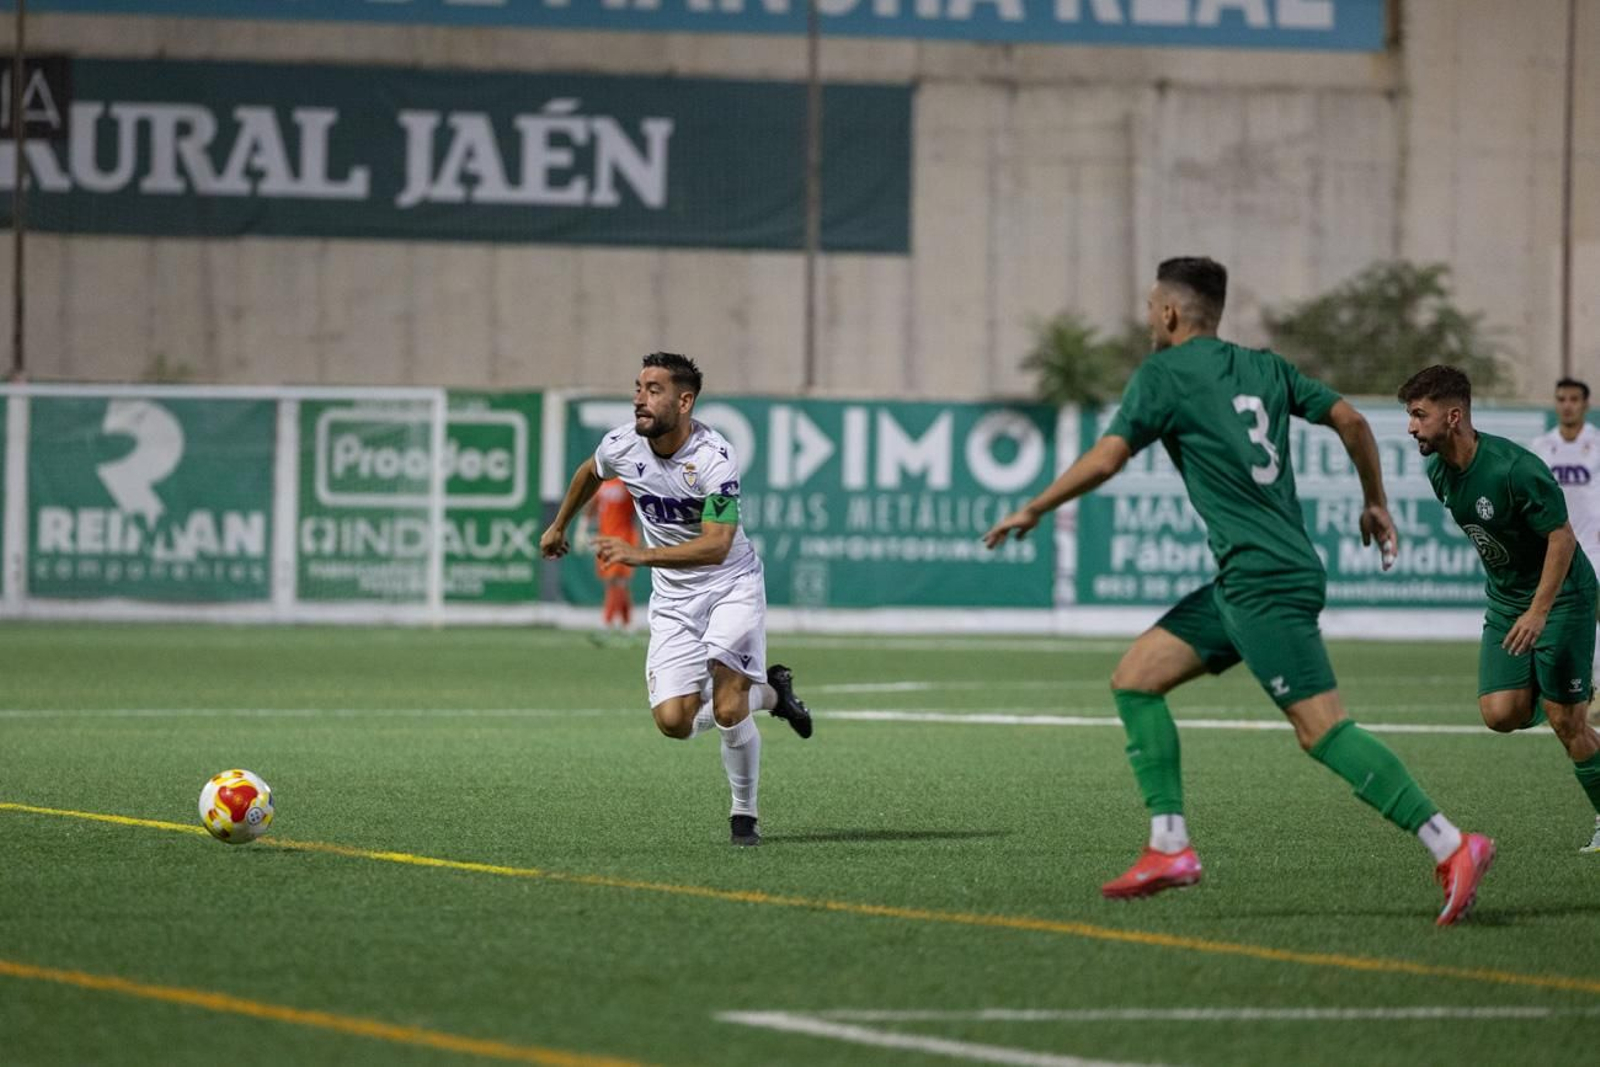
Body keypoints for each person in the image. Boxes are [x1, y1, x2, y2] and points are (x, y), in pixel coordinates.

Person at [983, 257, 1493, 925]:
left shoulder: (1164, 374)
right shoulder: (1267, 369)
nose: (1148, 318)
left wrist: (1034, 507)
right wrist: (1375, 501)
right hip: (1248, 578)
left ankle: (1451, 843)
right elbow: (1352, 420)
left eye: (1150, 307)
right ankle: (1169, 846)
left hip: (1264, 581)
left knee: (1321, 730)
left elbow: (1108, 457)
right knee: (1135, 679)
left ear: (1170, 312)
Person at [540, 351, 813, 847]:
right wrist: (559, 524)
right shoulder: (622, 444)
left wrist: (639, 555)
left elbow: (717, 545)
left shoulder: (714, 457)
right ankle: (773, 693)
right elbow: (590, 472)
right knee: (673, 722)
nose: (639, 399)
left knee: (728, 709)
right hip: (673, 599)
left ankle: (744, 816)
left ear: (684, 402)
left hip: (730, 585)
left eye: (654, 390)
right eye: (638, 388)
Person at [1400, 365, 1600, 854]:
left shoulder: (1515, 468)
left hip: (1563, 597)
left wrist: (1538, 611)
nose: (1411, 427)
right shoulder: (1438, 472)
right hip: (1507, 601)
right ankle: (1568, 694)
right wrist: (1517, 603)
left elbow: (1562, 538)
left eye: (1419, 415)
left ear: (1453, 417)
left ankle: (1571, 711)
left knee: (1565, 723)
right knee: (1500, 713)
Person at [1529, 378, 1600, 696]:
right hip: (1555, 547)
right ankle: (1567, 687)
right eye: (1561, 399)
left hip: (1593, 544)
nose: (1567, 405)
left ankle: (1594, 686)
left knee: (1592, 612)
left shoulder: (1597, 444)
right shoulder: (1541, 447)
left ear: (1585, 404)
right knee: (1559, 614)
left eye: (1574, 399)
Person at [583, 477, 638, 631]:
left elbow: (638, 507)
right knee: (614, 581)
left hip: (624, 537)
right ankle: (627, 622)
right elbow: (592, 505)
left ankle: (607, 620)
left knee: (617, 579)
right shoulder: (603, 483)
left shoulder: (628, 482)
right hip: (605, 537)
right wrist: (583, 527)